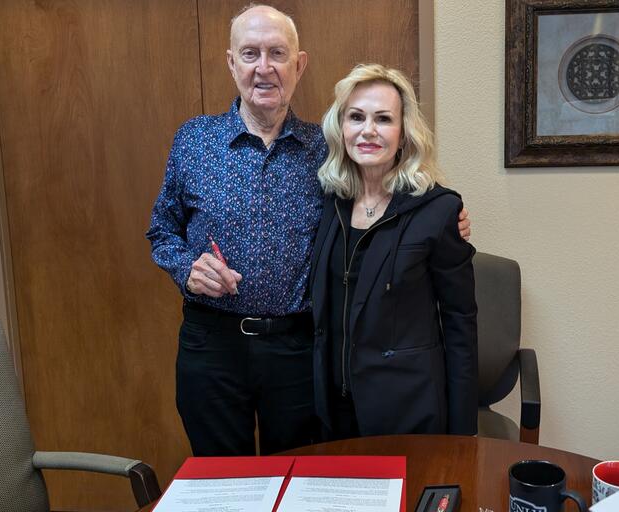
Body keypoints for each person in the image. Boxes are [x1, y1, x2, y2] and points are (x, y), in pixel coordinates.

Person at [146, 4, 471, 456]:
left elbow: (385, 202)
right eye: (250, 53)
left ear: (299, 65)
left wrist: (443, 212)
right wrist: (186, 268)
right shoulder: (194, 140)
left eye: (277, 53)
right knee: (221, 480)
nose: (264, 68)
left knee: (298, 472)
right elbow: (162, 230)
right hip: (211, 347)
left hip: (297, 351)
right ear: (230, 63)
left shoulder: (329, 150)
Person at [309, 64, 478, 440]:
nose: (368, 130)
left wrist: (464, 433)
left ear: (403, 134)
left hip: (407, 410)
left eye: (383, 119)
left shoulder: (438, 210)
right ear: (342, 129)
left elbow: (460, 324)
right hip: (331, 411)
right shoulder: (327, 202)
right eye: (356, 117)